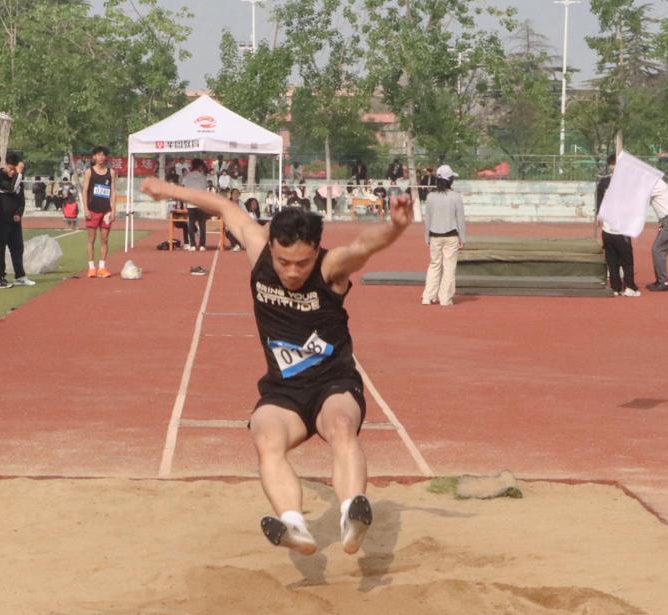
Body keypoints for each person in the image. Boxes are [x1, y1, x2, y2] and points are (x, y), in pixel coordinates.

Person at [139, 175, 417, 556]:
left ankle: (352, 511)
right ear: (270, 246)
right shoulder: (259, 251)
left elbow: (363, 246)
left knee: (340, 426)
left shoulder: (331, 268)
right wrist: (167, 190)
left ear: (316, 250)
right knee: (265, 436)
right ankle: (294, 524)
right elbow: (224, 207)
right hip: (284, 390)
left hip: (334, 383)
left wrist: (395, 227)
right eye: (283, 262)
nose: (292, 272)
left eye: (302, 263)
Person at [421, 165, 466, 306]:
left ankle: (428, 297)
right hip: (451, 235)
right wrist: (462, 238)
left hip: (435, 236)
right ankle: (445, 298)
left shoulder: (431, 196)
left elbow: (427, 219)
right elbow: (460, 219)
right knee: (449, 267)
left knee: (434, 265)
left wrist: (427, 237)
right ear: (450, 180)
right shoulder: (456, 197)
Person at [597, 154, 641, 297]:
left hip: (615, 229)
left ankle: (621, 287)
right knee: (621, 260)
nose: (614, 167)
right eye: (612, 164)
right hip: (615, 230)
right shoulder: (611, 183)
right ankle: (623, 287)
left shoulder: (621, 183)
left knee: (618, 260)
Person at [0, 153, 35, 286]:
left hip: (15, 222)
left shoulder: (18, 179)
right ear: (5, 165)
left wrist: (19, 213)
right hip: (1, 221)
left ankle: (20, 276)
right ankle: (0, 276)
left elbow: (21, 200)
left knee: (17, 248)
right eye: (10, 169)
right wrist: (19, 173)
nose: (12, 172)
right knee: (0, 250)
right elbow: (11, 188)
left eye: (14, 170)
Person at [81, 146, 116, 277]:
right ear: (94, 157)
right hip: (92, 210)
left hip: (106, 211)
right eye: (98, 155)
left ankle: (102, 267)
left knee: (104, 240)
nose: (101, 157)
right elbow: (85, 191)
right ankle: (91, 267)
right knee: (91, 239)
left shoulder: (111, 172)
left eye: (103, 155)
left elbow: (113, 191)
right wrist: (85, 209)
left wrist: (114, 210)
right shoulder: (89, 172)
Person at [182, 158, 209, 250]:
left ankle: (192, 245)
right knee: (202, 225)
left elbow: (185, 190)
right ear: (199, 166)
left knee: (191, 224)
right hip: (201, 203)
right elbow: (205, 190)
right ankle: (202, 245)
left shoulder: (187, 176)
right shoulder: (203, 177)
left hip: (191, 203)